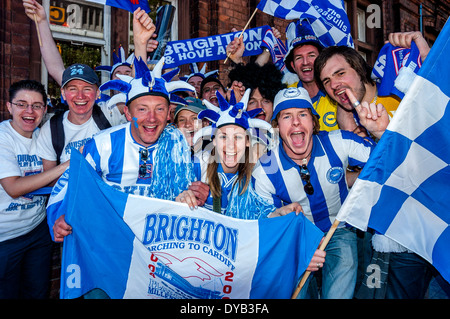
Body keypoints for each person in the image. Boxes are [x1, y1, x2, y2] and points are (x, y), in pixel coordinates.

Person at [252, 87, 390, 299]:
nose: (296, 122)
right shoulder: (265, 170)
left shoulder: (339, 142)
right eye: (287, 116)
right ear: (277, 126)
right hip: (295, 238)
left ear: (314, 122)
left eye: (303, 114)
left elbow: (389, 163)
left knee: (340, 289)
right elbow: (264, 225)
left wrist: (381, 133)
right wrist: (290, 236)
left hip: (338, 229)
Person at [176, 89, 326, 273]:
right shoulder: (198, 166)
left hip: (235, 266)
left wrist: (282, 212)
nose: (230, 145)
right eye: (223, 137)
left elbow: (263, 214)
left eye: (238, 137)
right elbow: (172, 198)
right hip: (197, 261)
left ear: (248, 142)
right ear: (214, 140)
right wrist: (182, 198)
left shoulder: (256, 175)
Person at [0, 80, 69, 298]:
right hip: (4, 236)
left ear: (45, 109)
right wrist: (65, 167)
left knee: (37, 293)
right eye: (21, 104)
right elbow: (13, 188)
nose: (30, 111)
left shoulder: (45, 134)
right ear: (9, 107)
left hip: (36, 230)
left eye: (37, 105)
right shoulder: (3, 137)